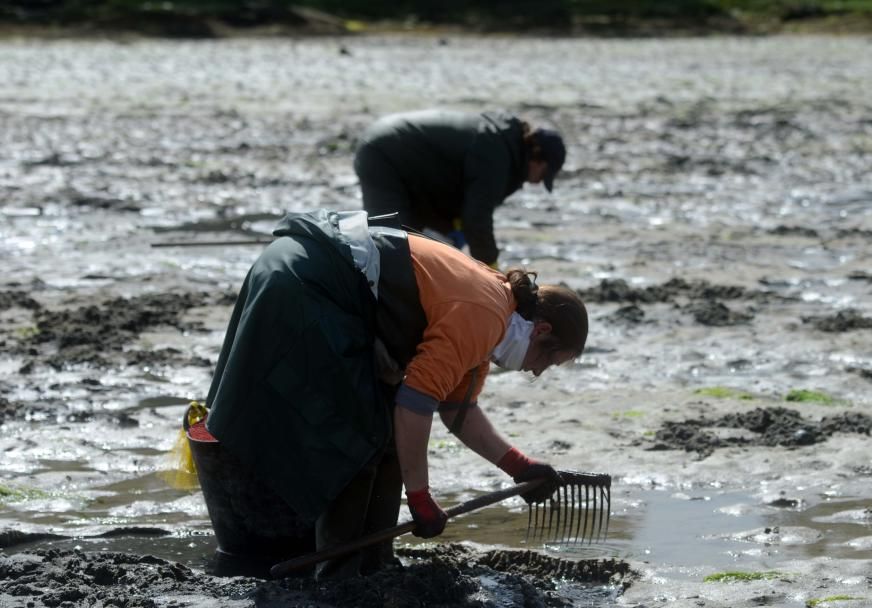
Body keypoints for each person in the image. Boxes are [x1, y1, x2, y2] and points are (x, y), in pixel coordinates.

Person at [189, 208, 587, 579]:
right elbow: (416, 402)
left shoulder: (493, 324)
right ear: (541, 331)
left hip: (322, 281)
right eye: (546, 363)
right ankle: (337, 577)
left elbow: (457, 411)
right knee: (355, 436)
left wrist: (519, 466)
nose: (535, 371)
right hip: (305, 280)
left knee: (383, 435)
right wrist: (420, 497)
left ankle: (373, 562)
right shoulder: (484, 313)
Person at [352, 109, 567, 267]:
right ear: (537, 157)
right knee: (391, 246)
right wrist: (492, 271)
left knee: (416, 249)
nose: (538, 182)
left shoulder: (504, 143)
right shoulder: (496, 155)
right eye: (543, 174)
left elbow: (456, 196)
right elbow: (477, 220)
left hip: (409, 166)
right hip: (385, 154)